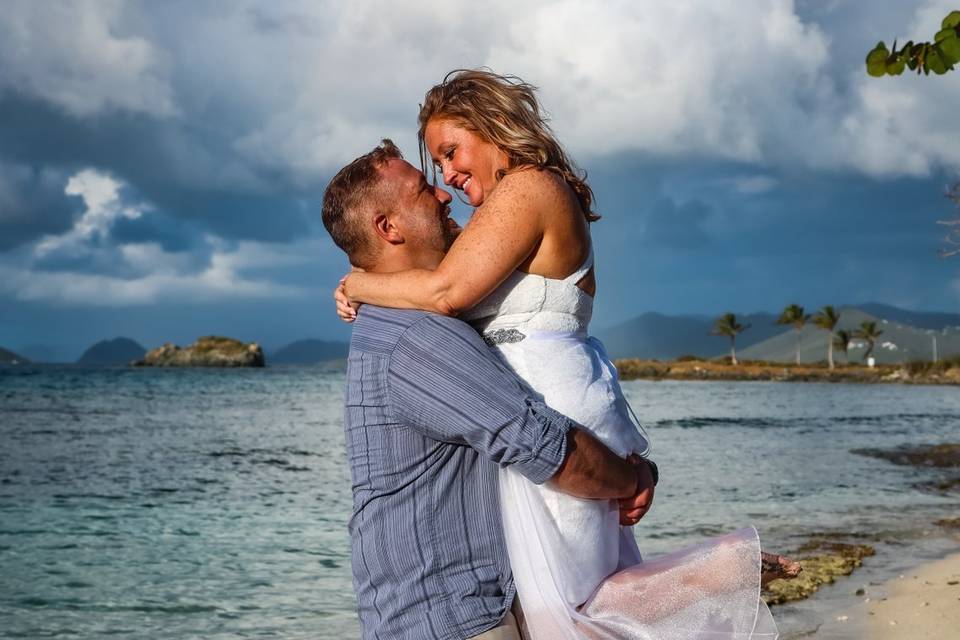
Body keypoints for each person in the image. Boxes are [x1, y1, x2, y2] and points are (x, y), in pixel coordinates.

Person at [335, 71, 797, 639]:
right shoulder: (492, 220)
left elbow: (443, 293)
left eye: (452, 153)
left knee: (567, 600)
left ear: (492, 128)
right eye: (436, 167)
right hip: (532, 395)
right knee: (549, 594)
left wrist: (358, 283)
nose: (448, 179)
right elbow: (428, 278)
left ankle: (720, 573)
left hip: (550, 397)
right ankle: (713, 577)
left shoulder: (529, 188)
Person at [322, 140, 658, 640]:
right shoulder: (417, 337)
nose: (443, 194)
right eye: (422, 189)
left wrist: (357, 283)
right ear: (388, 228)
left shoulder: (411, 318)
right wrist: (632, 481)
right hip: (449, 622)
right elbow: (544, 446)